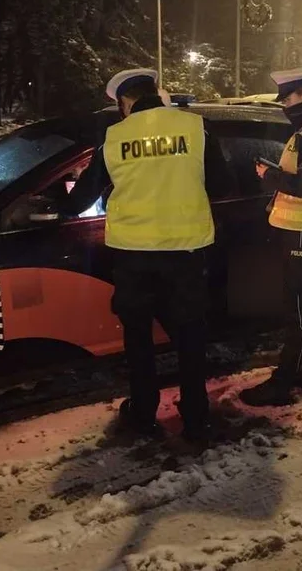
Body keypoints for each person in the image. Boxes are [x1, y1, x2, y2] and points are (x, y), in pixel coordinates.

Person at [61, 69, 231, 441]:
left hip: (134, 256)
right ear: (157, 92)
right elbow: (220, 184)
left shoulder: (114, 136)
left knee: (138, 337)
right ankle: (196, 415)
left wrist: (57, 203)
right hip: (186, 251)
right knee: (189, 334)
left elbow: (82, 196)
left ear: (124, 102)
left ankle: (143, 411)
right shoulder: (195, 127)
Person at [239, 67, 302, 407]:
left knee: (298, 311)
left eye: (288, 97)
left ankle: (281, 384)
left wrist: (269, 174)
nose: (285, 104)